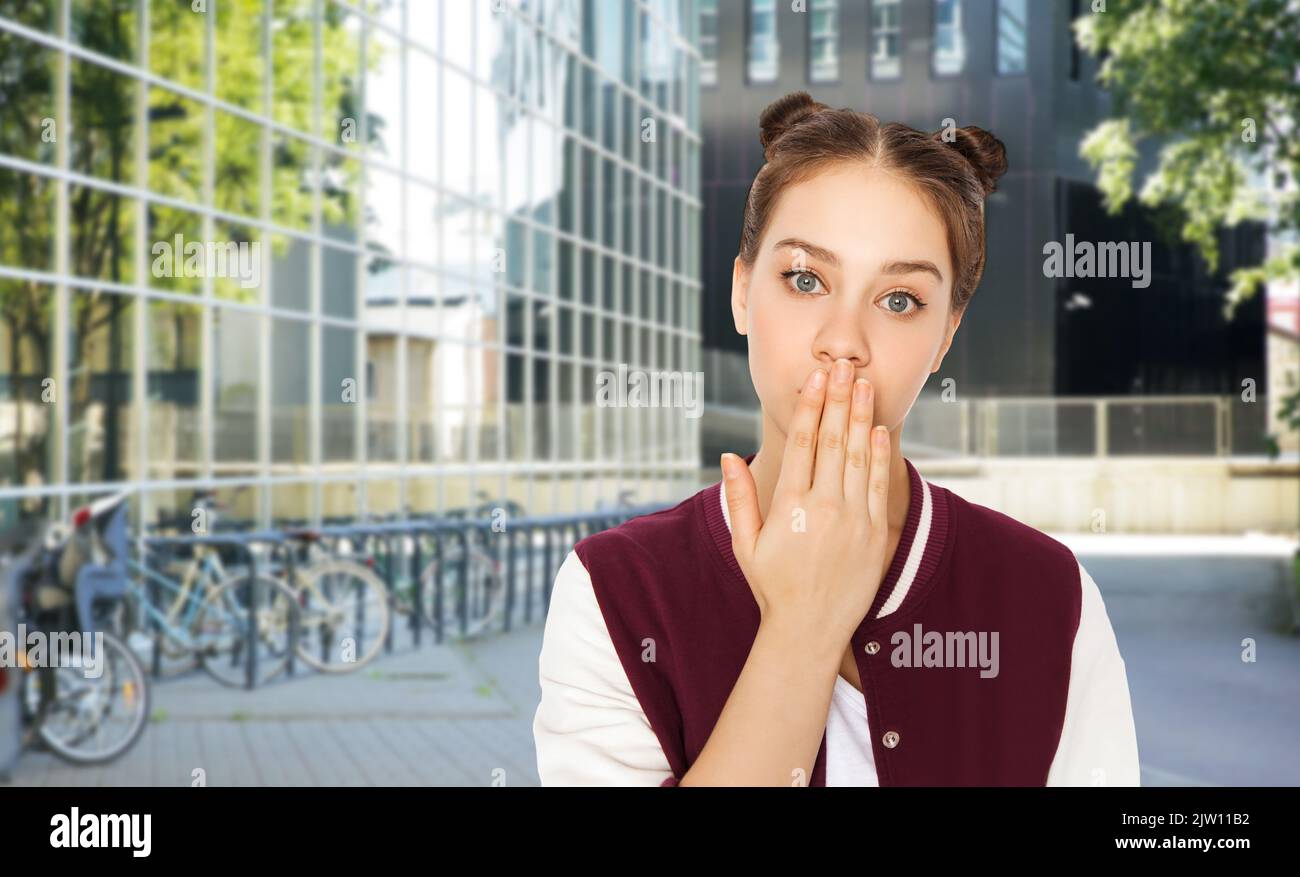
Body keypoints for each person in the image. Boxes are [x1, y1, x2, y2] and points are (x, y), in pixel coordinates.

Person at [532, 91, 1140, 787]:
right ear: (741, 291)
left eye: (899, 300)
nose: (843, 343)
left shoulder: (1051, 597)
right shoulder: (613, 591)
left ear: (945, 334)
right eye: (805, 279)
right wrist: (804, 625)